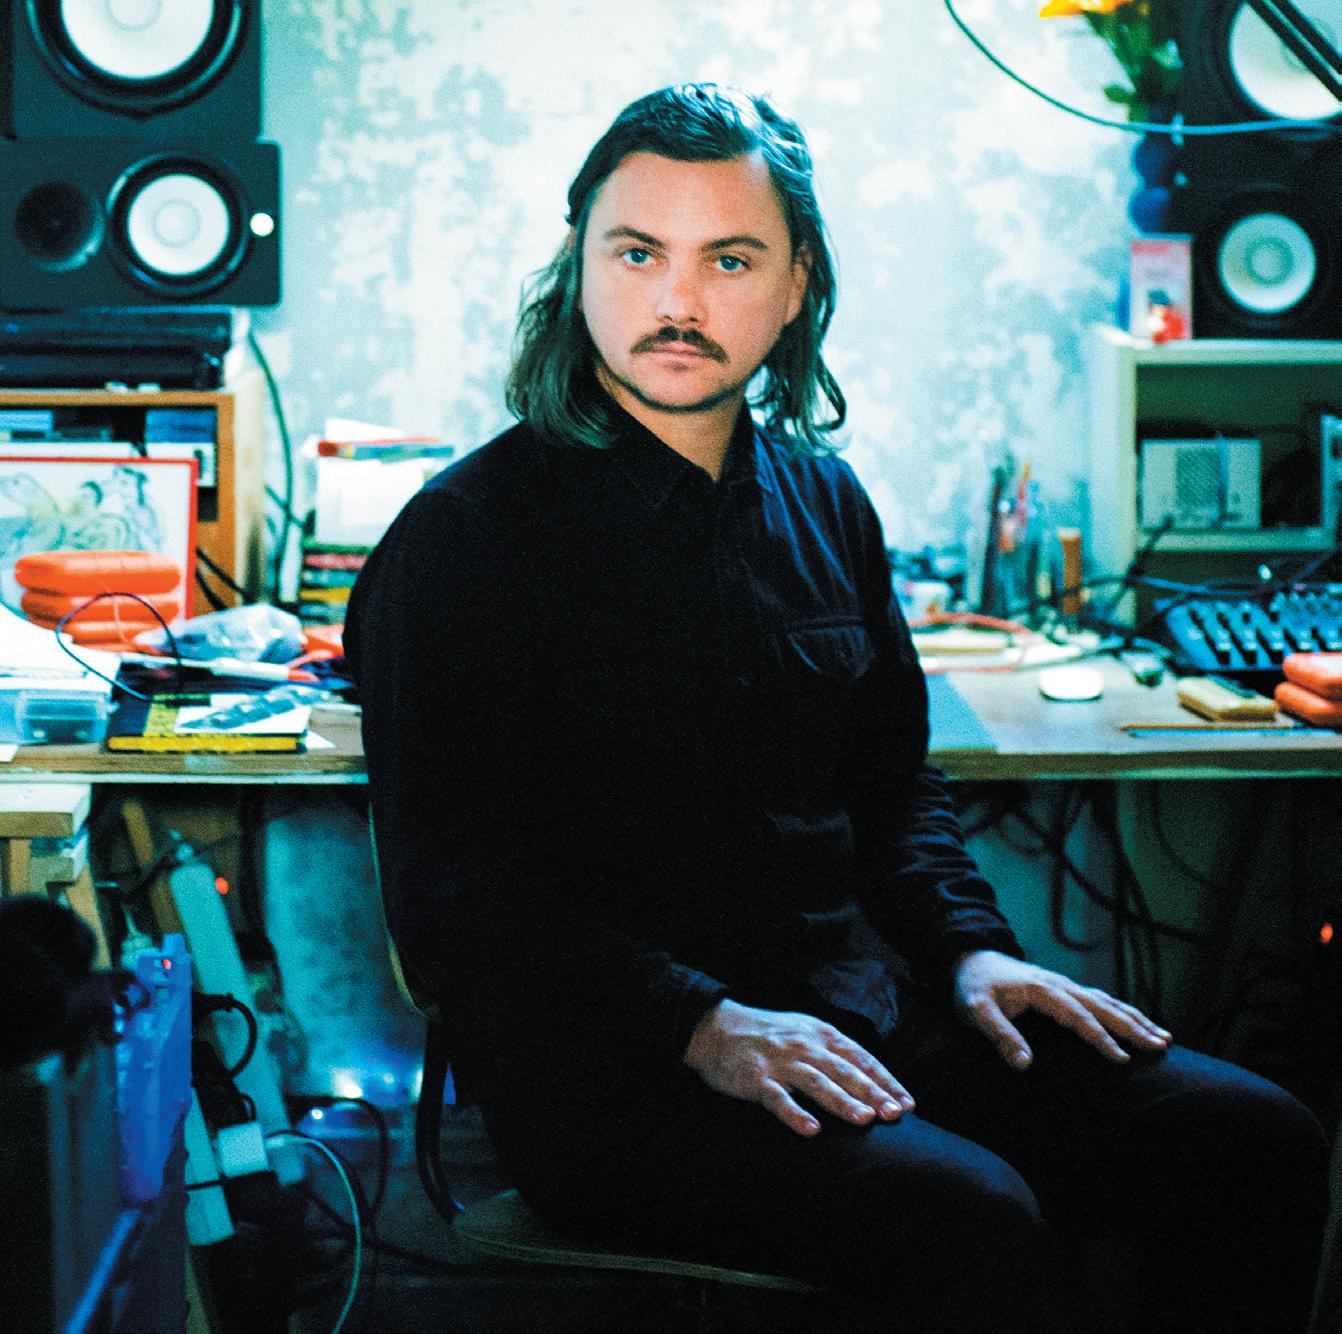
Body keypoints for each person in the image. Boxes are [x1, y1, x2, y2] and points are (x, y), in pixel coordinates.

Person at [345, 84, 1328, 1333]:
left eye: (729, 259)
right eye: (637, 253)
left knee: (1252, 1139)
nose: (677, 300)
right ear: (579, 260)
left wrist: (970, 948)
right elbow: (453, 895)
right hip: (615, 1074)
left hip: (858, 1011)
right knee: (971, 1219)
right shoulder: (463, 540)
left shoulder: (827, 503)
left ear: (796, 280)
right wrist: (697, 1021)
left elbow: (891, 786)